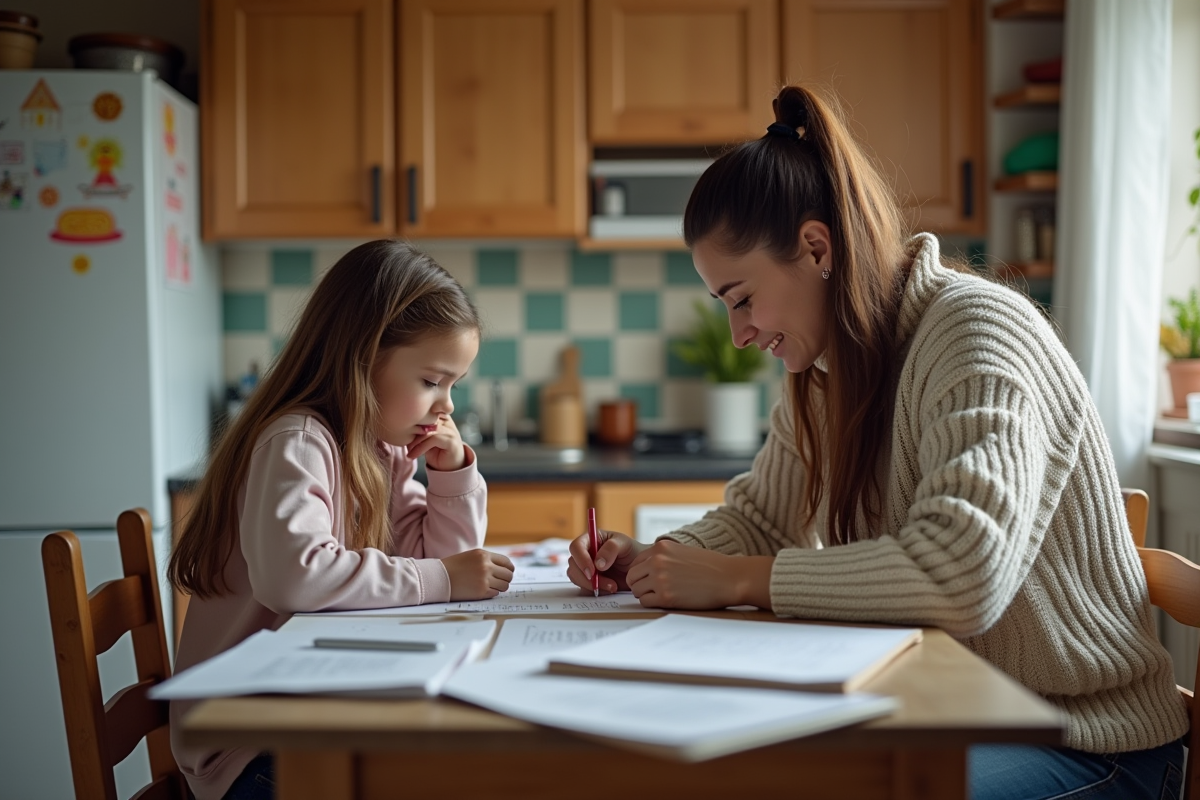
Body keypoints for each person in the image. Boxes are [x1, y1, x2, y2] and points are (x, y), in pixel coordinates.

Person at [566, 86, 1189, 800]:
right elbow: (759, 521)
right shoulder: (827, 369)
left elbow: (963, 574)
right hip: (958, 713)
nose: (738, 332)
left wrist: (742, 578)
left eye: (741, 298)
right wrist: (656, 558)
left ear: (815, 247)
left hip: (1087, 741)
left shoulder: (977, 334)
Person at [167, 240, 514, 800]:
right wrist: (447, 577)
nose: (446, 405)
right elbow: (295, 577)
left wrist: (451, 478)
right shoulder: (297, 441)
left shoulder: (377, 448)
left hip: (296, 710)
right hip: (249, 749)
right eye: (431, 381)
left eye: (454, 385)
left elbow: (430, 562)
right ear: (363, 356)